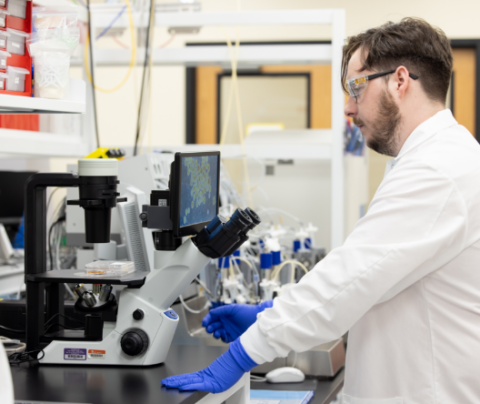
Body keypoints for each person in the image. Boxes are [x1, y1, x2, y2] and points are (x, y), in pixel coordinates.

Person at [163, 18, 480, 404]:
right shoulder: (437, 159)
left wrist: (241, 355)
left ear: (399, 81)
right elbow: (375, 281)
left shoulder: (437, 171)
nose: (348, 107)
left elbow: (348, 281)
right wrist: (270, 311)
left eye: (355, 88)